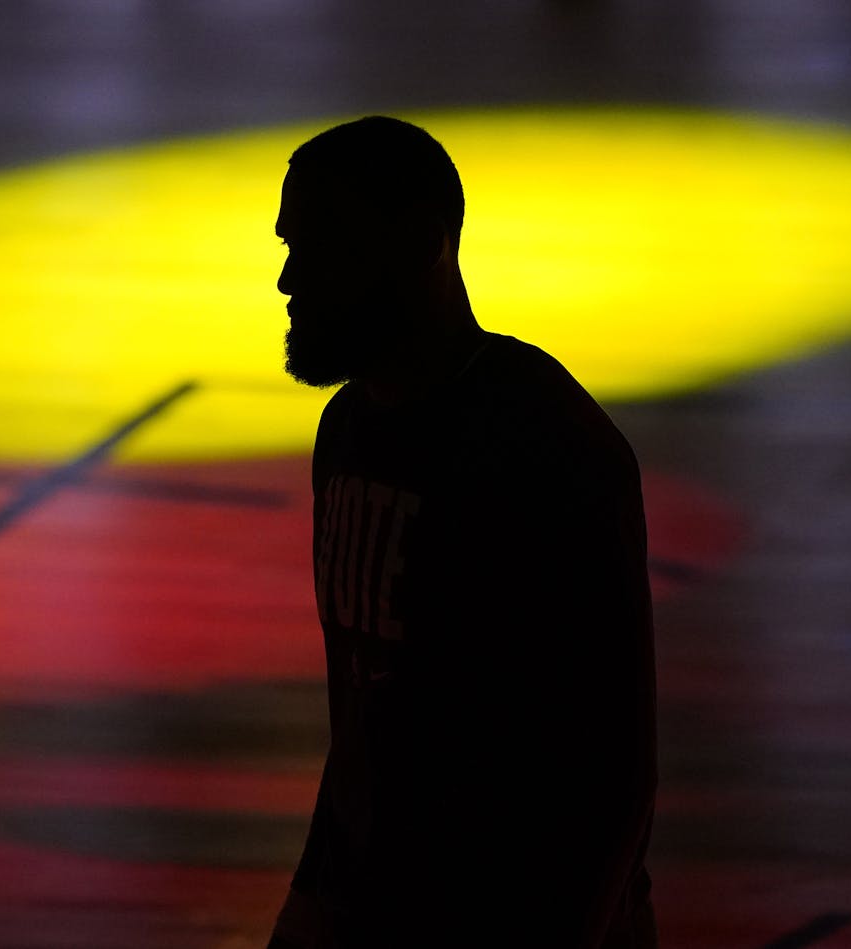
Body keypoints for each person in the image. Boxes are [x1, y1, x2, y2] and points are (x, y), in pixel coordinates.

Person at [268, 116, 658, 948]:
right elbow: (362, 725)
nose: (287, 280)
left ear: (419, 247)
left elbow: (615, 773)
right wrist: (311, 905)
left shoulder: (549, 446)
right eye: (286, 246)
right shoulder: (345, 433)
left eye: (318, 248)